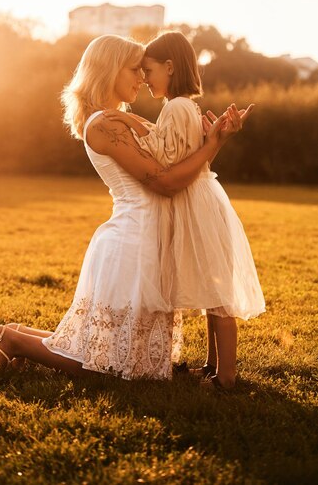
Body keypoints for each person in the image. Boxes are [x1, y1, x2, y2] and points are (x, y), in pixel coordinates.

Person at [0, 34, 241, 380]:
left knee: (114, 354)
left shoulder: (119, 119)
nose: (142, 77)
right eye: (135, 69)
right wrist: (212, 146)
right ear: (110, 69)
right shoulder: (102, 126)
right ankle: (13, 341)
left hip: (149, 240)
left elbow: (184, 166)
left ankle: (10, 333)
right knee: (106, 366)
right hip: (133, 243)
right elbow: (165, 181)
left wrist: (213, 143)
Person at [104, 31, 265, 389]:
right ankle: (212, 365)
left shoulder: (176, 107)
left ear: (170, 66)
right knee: (211, 285)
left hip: (196, 203)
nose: (144, 79)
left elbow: (166, 158)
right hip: (198, 198)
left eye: (148, 70)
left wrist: (132, 125)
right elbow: (194, 154)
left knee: (218, 295)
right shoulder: (183, 106)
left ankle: (225, 377)